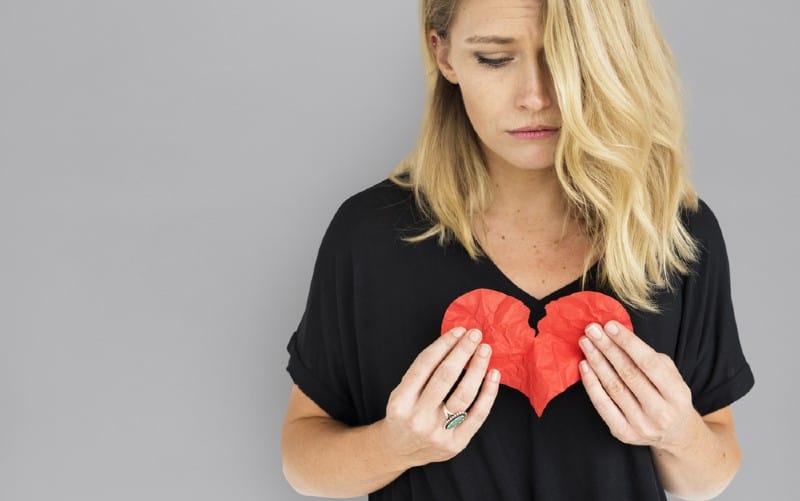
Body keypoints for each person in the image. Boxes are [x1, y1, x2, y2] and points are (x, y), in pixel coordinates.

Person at [280, 0, 755, 499]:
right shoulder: (369, 236)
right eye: (494, 58)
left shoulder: (675, 236)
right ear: (442, 53)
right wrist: (396, 447)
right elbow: (302, 460)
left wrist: (677, 434)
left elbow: (710, 476)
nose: (535, 97)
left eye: (566, 59)